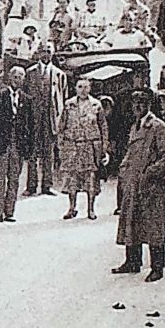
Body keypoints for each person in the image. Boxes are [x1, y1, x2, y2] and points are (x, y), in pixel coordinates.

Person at [112, 89, 165, 280]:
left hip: (151, 186)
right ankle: (132, 261)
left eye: (142, 102)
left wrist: (151, 173)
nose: (138, 106)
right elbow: (131, 152)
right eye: (135, 103)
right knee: (131, 220)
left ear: (149, 104)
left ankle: (157, 267)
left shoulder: (158, 127)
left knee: (153, 225)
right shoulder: (135, 126)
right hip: (132, 182)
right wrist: (123, 171)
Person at [0, 65, 34, 223]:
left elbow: (30, 126)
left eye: (21, 77)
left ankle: (9, 212)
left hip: (18, 145)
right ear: (10, 78)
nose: (18, 80)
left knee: (14, 179)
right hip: (1, 145)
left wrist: (29, 149)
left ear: (24, 80)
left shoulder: (26, 100)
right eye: (15, 77)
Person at [57, 76, 109, 220]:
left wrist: (104, 147)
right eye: (80, 87)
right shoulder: (69, 105)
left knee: (91, 178)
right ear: (75, 88)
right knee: (72, 178)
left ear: (90, 88)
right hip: (73, 146)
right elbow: (61, 126)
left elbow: (103, 126)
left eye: (86, 87)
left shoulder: (96, 105)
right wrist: (61, 145)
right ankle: (72, 208)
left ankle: (91, 209)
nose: (83, 90)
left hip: (90, 146)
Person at [22, 43, 65, 195]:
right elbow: (25, 97)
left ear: (52, 53)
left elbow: (62, 98)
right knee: (32, 153)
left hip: (50, 119)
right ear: (38, 53)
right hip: (33, 119)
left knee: (49, 153)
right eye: (43, 51)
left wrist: (59, 120)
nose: (46, 54)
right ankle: (31, 186)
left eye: (49, 51)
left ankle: (47, 185)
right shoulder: (30, 73)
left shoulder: (59, 74)